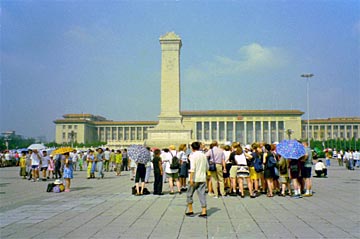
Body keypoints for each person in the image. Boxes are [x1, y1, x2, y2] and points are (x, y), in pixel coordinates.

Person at [186, 141, 208, 218]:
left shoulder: (192, 156)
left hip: (194, 178)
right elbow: (207, 167)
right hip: (202, 177)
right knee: (202, 194)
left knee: (189, 194)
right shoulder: (204, 155)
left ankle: (190, 210)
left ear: (192, 148)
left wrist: (191, 178)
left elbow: (192, 168)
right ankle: (204, 211)